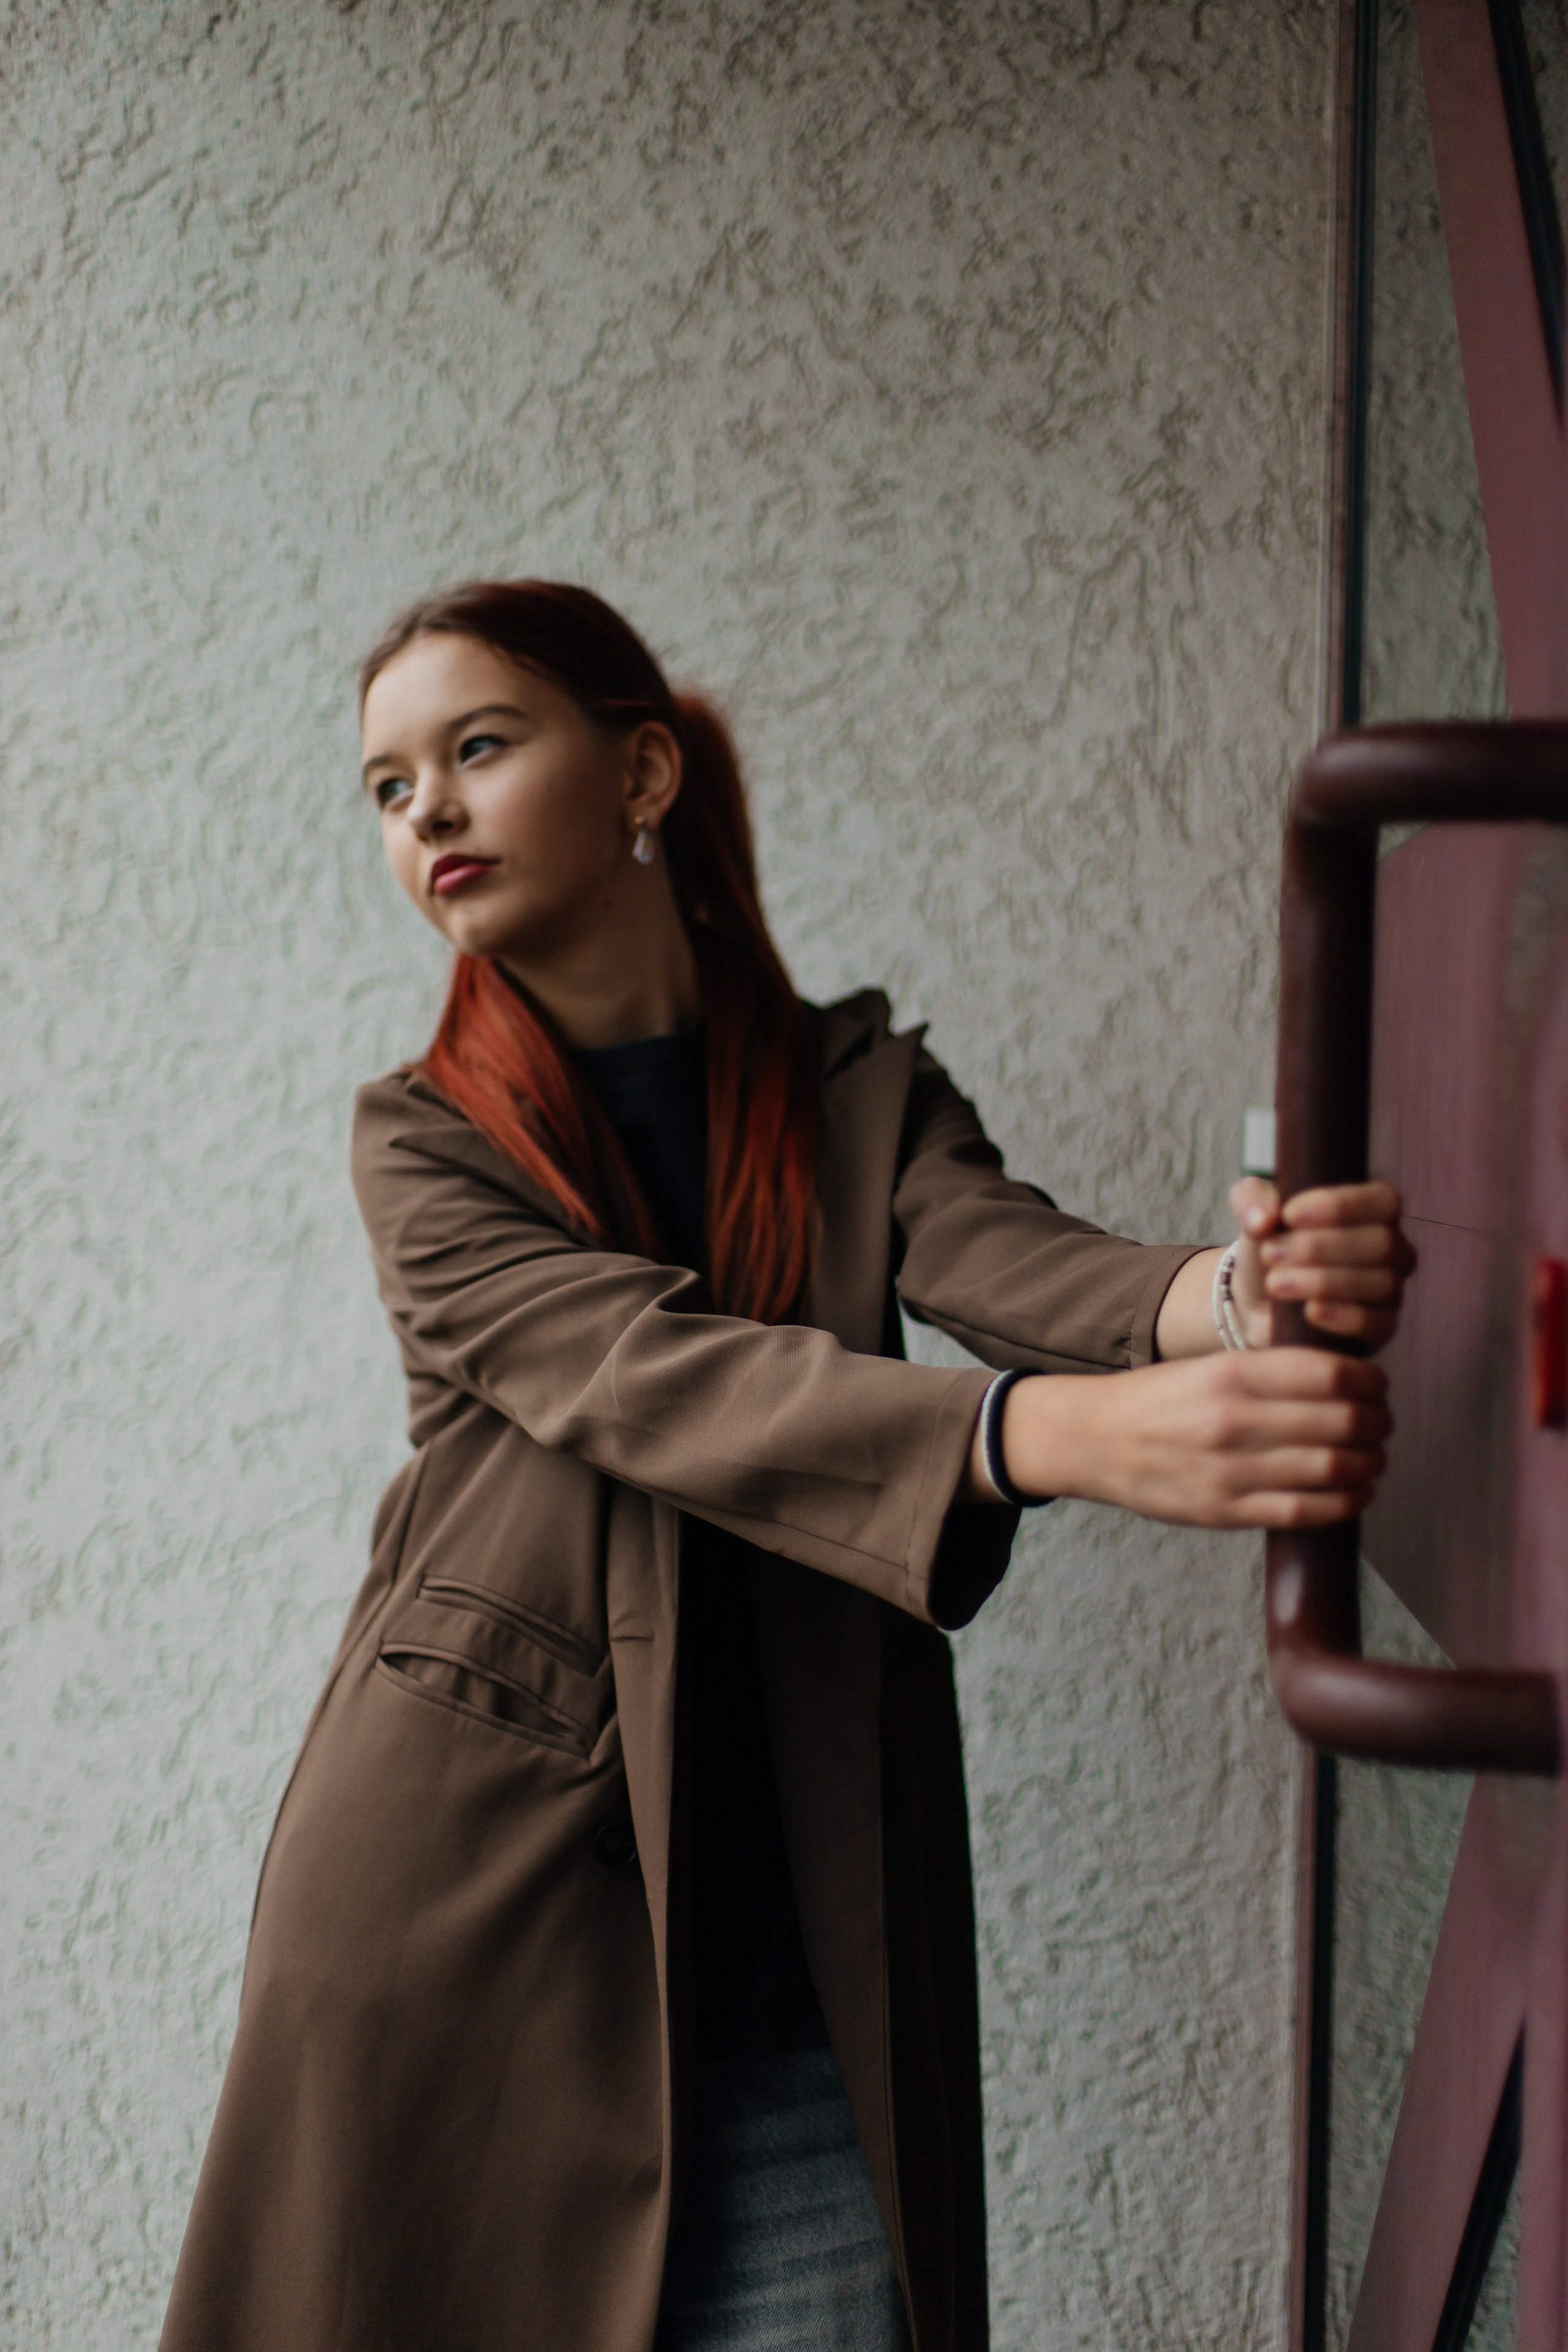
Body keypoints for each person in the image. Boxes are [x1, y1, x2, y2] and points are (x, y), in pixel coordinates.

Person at [159, 581, 1411, 2352]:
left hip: (793, 1955)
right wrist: (1037, 1439)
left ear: (643, 767)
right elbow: (648, 1374)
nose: (425, 809)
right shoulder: (424, 1143)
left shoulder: (853, 1084)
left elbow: (1022, 1268)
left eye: (480, 747)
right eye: (384, 786)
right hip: (474, 1923)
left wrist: (1237, 1293)